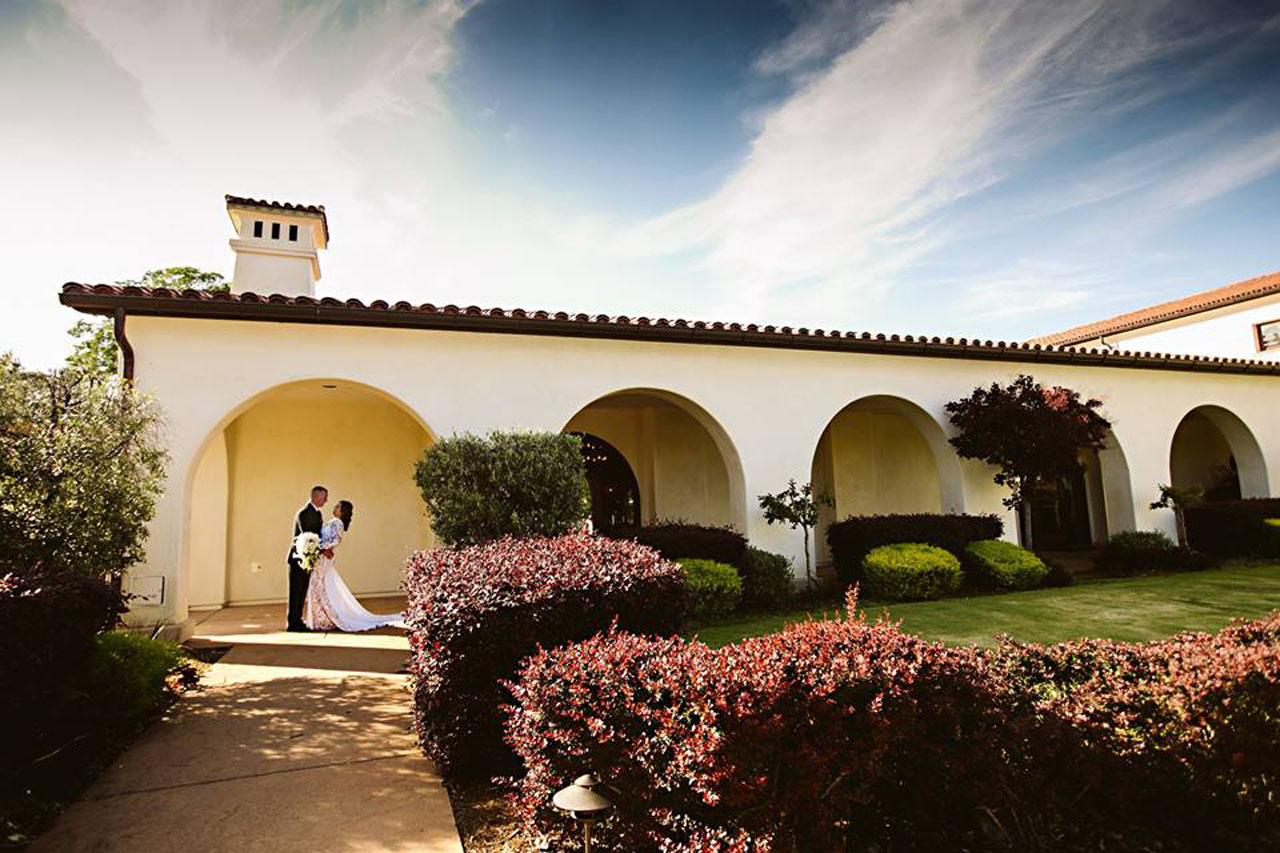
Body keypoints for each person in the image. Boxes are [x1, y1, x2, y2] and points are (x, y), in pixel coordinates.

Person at [303, 500, 404, 632]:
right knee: (317, 587)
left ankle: (324, 619)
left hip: (323, 559)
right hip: (320, 558)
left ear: (342, 511)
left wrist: (321, 548)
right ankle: (320, 619)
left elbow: (336, 540)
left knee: (318, 586)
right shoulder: (332, 521)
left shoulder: (338, 523)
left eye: (338, 506)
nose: (335, 507)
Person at [286, 485, 327, 632]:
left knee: (301, 592)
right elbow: (309, 537)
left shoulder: (316, 513)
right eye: (324, 497)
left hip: (306, 560)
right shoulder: (306, 513)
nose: (326, 501)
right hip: (299, 560)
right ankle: (293, 623)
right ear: (315, 497)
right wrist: (322, 549)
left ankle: (296, 621)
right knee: (296, 592)